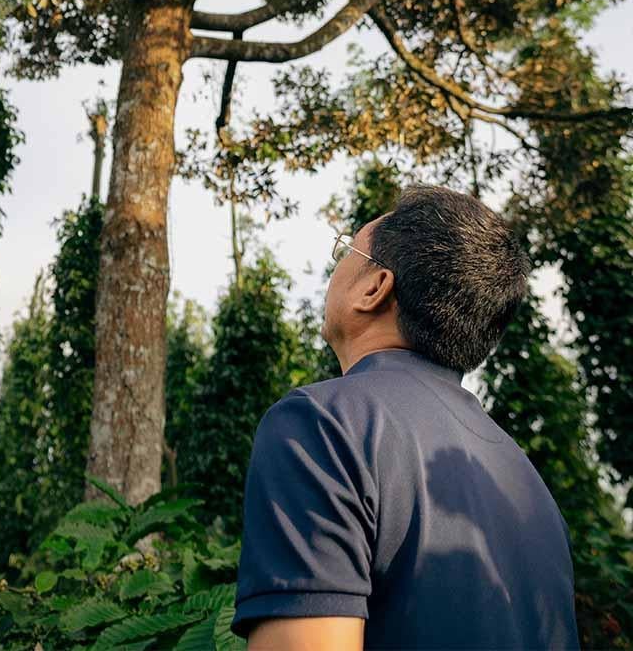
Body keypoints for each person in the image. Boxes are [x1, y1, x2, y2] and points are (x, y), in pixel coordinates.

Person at [232, 185, 579, 650]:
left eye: (345, 250)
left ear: (375, 288)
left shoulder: (320, 427)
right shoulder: (529, 486)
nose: (336, 266)